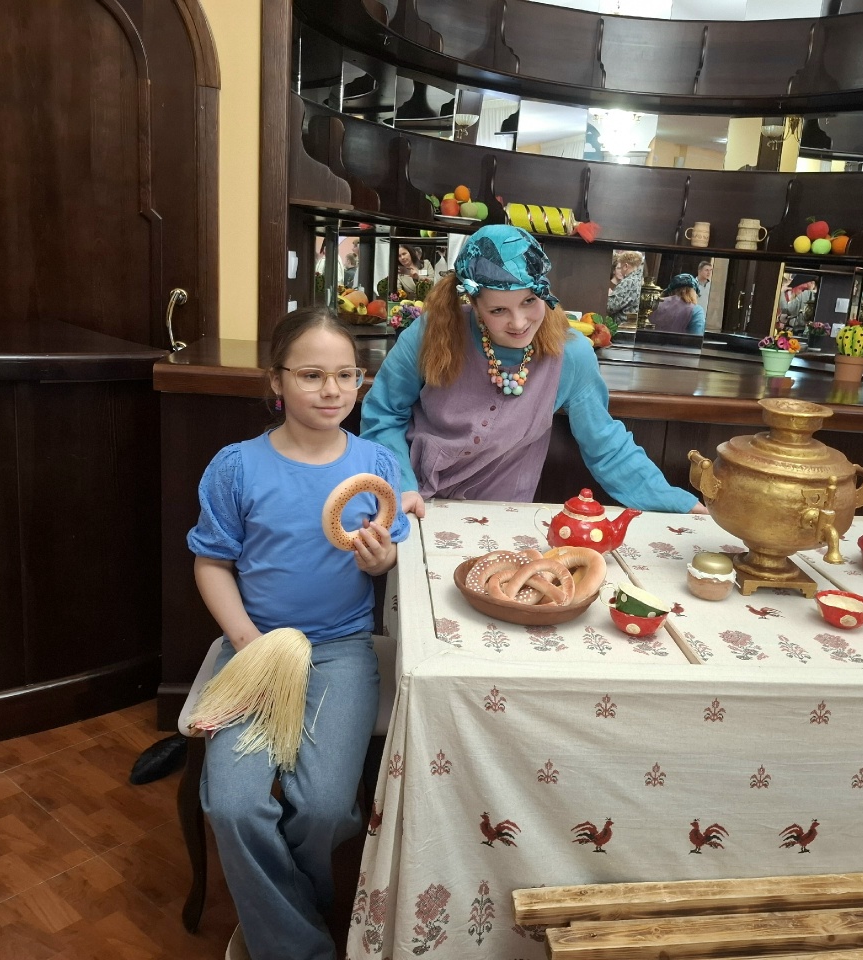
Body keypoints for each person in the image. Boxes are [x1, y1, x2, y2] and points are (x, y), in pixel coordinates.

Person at [187, 307, 410, 960]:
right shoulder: (236, 467)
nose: (332, 390)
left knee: (323, 808)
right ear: (277, 381)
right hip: (256, 648)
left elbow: (389, 553)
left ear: (360, 380)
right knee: (233, 805)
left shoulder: (375, 465)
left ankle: (279, 920)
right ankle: (300, 945)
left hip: (341, 651)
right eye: (311, 375)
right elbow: (211, 562)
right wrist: (246, 641)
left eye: (346, 375)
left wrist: (381, 562)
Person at [361, 224, 705, 518]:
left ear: (545, 291)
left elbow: (607, 445)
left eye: (529, 301)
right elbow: (383, 413)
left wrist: (678, 503)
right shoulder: (431, 331)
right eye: (498, 310)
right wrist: (401, 487)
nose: (519, 322)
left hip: (502, 515)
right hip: (412, 501)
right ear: (474, 304)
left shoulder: (573, 354)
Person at [606, 250, 644, 326]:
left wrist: (609, 295)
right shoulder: (639, 280)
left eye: (621, 267)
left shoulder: (628, 282)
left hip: (622, 327)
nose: (620, 271)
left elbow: (610, 306)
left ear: (626, 266)